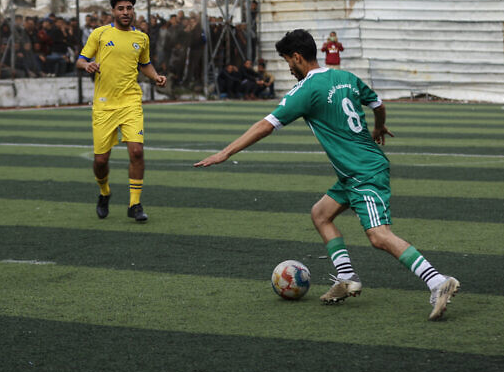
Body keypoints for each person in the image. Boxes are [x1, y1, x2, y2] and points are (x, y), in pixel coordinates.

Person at [194, 29, 459, 320]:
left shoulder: (305, 90)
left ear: (297, 57)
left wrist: (226, 152)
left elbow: (265, 125)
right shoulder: (345, 77)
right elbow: (378, 104)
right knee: (321, 214)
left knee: (379, 236)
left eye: (287, 62)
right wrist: (379, 126)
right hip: (353, 171)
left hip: (363, 171)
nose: (288, 68)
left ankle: (437, 281)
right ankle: (346, 278)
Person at [76, 0, 166, 223]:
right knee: (101, 161)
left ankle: (134, 204)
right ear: (113, 11)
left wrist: (155, 77)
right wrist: (87, 66)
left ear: (133, 10)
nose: (126, 12)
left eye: (129, 8)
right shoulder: (100, 33)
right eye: (121, 8)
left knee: (137, 152)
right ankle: (104, 192)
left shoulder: (141, 38)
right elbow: (81, 59)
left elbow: (144, 64)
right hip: (104, 105)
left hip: (130, 101)